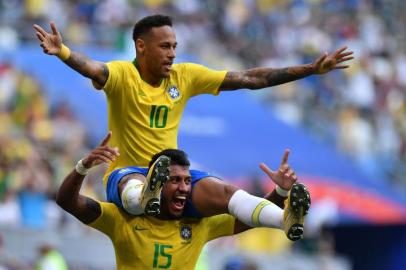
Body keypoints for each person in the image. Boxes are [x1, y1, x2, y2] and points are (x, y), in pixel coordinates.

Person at [33, 14, 344, 238]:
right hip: (128, 172)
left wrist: (310, 69)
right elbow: (92, 68)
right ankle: (146, 198)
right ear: (141, 47)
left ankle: (286, 220)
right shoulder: (121, 76)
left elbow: (251, 78)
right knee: (132, 188)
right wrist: (63, 52)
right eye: (164, 46)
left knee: (225, 192)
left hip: (171, 174)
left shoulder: (185, 76)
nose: (172, 53)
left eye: (174, 46)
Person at [56, 132, 311, 269]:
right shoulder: (121, 219)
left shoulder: (199, 224)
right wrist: (83, 166)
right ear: (156, 182)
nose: (184, 188)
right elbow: (68, 201)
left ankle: (285, 220)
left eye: (188, 181)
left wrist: (280, 193)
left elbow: (248, 220)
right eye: (175, 181)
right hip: (132, 195)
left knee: (235, 200)